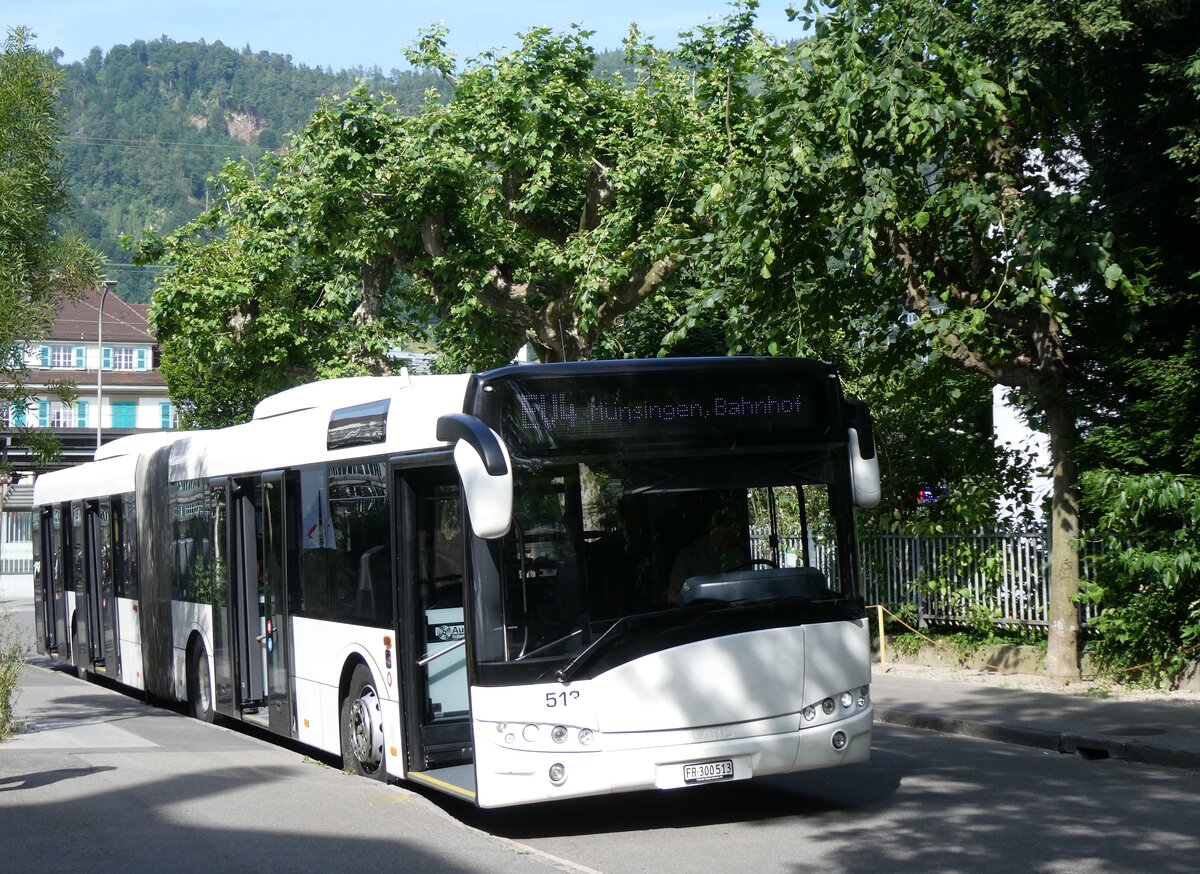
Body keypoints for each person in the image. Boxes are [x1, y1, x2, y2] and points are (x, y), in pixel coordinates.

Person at [667, 504, 746, 605]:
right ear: (715, 529)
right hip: (700, 613)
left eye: (735, 534)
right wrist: (695, 600)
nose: (734, 538)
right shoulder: (688, 556)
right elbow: (672, 595)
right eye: (729, 532)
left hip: (734, 611)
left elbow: (747, 588)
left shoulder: (737, 553)